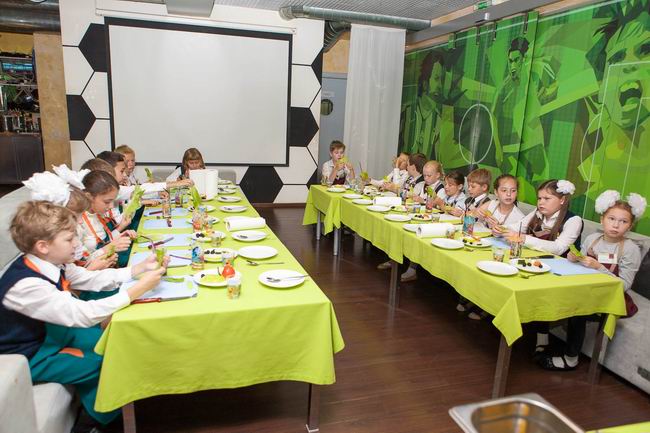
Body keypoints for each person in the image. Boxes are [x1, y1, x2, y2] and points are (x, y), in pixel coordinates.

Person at [0, 200, 167, 432]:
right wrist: (136, 290)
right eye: (70, 239)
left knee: (119, 343)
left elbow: (90, 278)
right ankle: (95, 424)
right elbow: (83, 315)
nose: (77, 244)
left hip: (55, 336)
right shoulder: (26, 285)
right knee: (110, 362)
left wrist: (138, 269)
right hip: (32, 354)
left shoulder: (52, 262)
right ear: (43, 246)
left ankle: (115, 407)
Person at [538, 190, 646, 371]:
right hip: (585, 289)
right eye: (611, 219)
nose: (616, 225)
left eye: (623, 221)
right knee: (550, 292)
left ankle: (571, 358)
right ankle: (541, 340)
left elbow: (624, 285)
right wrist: (573, 258)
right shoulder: (592, 239)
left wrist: (599, 267)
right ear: (602, 219)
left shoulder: (630, 249)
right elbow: (579, 265)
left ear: (630, 226)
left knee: (578, 310)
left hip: (611, 299)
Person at [496, 179, 583, 256]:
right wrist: (500, 229)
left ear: (562, 200)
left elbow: (559, 248)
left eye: (547, 198)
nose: (541, 202)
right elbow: (517, 227)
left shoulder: (574, 220)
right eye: (539, 198)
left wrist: (524, 239)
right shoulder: (537, 212)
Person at [78, 171, 135, 262]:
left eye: (113, 201)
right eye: (107, 202)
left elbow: (105, 242)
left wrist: (120, 235)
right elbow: (83, 263)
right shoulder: (79, 223)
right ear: (89, 197)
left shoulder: (98, 213)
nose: (111, 206)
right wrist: (109, 248)